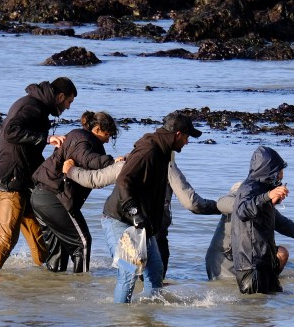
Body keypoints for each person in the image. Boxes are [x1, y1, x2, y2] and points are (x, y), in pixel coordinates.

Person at [65, 147, 219, 276]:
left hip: (127, 224)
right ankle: (149, 309)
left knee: (130, 274)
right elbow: (191, 202)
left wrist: (71, 170)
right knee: (154, 283)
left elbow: (94, 179)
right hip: (154, 228)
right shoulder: (168, 167)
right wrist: (220, 207)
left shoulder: (126, 164)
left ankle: (129, 308)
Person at [101, 112, 201, 303]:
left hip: (141, 223)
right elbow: (123, 181)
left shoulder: (163, 152)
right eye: (187, 137)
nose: (187, 142)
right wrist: (135, 213)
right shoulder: (149, 151)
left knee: (155, 271)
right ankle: (123, 325)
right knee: (128, 273)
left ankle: (148, 321)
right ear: (178, 134)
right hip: (120, 219)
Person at [0, 77, 76, 271]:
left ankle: (46, 279)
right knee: (6, 239)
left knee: (40, 234)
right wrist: (46, 138)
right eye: (69, 101)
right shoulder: (32, 107)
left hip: (23, 179)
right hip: (11, 179)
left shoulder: (32, 104)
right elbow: (9, 132)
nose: (68, 107)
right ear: (60, 96)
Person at [230, 146, 294, 294]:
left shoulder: (263, 192)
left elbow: (284, 224)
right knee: (253, 313)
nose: (281, 176)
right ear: (267, 172)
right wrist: (268, 196)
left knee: (276, 305)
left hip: (265, 265)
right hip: (251, 268)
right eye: (279, 172)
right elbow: (242, 211)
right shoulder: (249, 189)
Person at [30, 111, 118, 272]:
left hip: (39, 196)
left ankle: (51, 293)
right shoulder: (84, 140)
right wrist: (111, 162)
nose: (108, 139)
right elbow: (88, 159)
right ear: (97, 129)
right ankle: (81, 289)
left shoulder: (76, 136)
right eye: (107, 134)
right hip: (55, 198)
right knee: (82, 243)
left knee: (58, 255)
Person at [207, 179, 294, 282]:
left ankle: (270, 283)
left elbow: (287, 226)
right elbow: (221, 203)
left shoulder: (263, 208)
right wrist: (264, 198)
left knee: (281, 253)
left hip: (248, 257)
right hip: (224, 261)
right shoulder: (235, 202)